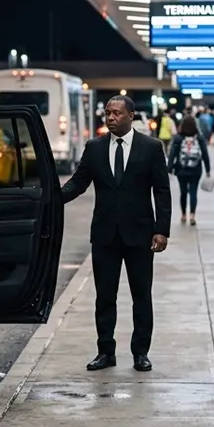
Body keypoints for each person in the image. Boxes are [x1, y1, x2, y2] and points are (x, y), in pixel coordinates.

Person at [61, 95, 172, 373]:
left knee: (141, 296)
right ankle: (105, 351)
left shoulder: (151, 147)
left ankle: (140, 353)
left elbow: (162, 191)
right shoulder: (94, 147)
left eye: (116, 114)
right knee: (104, 297)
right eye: (108, 114)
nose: (110, 118)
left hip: (140, 235)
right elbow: (78, 182)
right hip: (105, 236)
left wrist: (162, 230)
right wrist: (52, 199)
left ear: (130, 116)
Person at [169, 115, 211, 225]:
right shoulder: (199, 138)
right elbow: (205, 154)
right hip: (196, 169)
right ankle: (192, 216)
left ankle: (183, 215)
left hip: (181, 169)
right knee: (193, 192)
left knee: (183, 193)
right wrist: (208, 169)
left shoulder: (178, 138)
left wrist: (169, 168)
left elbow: (172, 154)